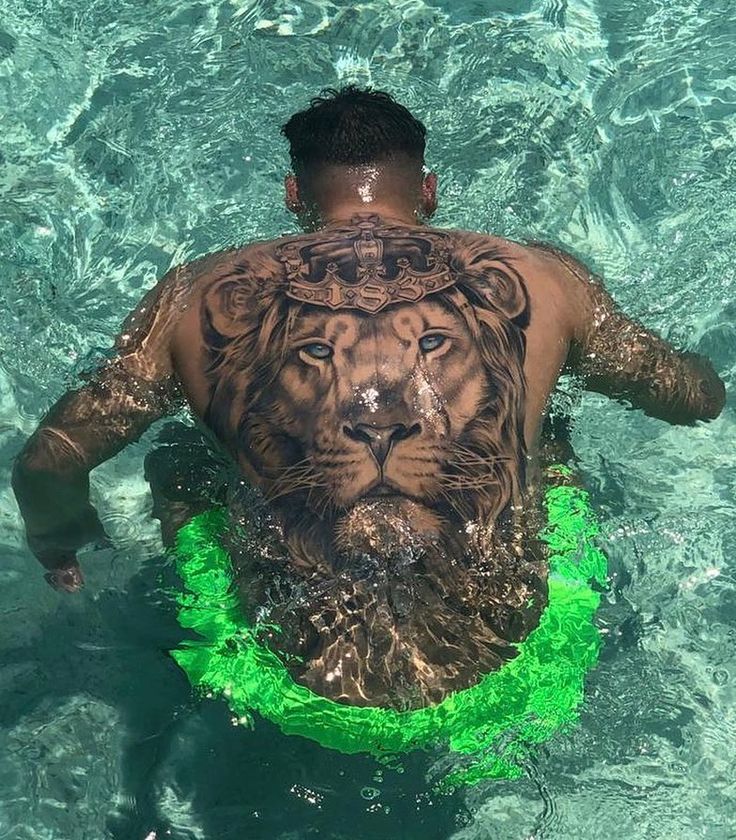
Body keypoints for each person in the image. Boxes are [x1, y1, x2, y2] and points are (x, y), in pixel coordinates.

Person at [12, 87, 725, 703]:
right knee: (546, 428)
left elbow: (48, 462)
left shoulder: (195, 296)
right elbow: (690, 400)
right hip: (525, 666)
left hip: (280, 680)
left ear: (294, 196)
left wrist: (62, 543)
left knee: (178, 453)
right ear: (429, 189)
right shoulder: (540, 275)